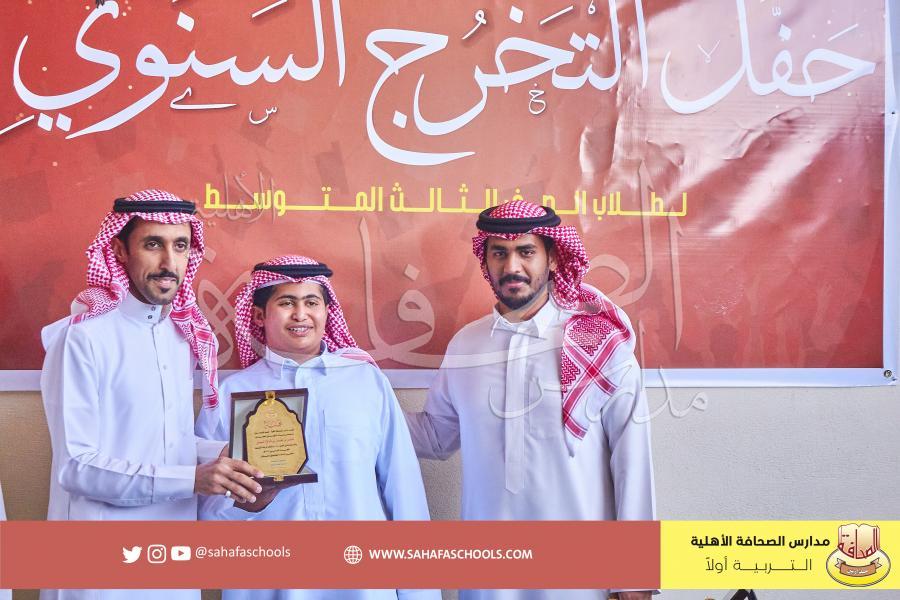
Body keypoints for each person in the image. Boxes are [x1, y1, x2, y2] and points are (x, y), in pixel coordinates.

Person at [405, 201, 657, 600]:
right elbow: (436, 437)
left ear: (553, 258)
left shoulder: (596, 344)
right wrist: (357, 410)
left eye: (526, 252)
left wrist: (635, 573)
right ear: (485, 261)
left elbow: (632, 459)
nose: (512, 267)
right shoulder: (467, 345)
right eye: (499, 253)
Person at [40, 189, 263, 600]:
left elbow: (165, 441)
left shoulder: (180, 337)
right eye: (153, 244)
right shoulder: (82, 339)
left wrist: (223, 456)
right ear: (119, 251)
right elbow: (76, 467)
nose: (169, 263)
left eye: (180, 246)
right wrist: (193, 478)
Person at [196, 255, 439, 600]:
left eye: (311, 302)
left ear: (327, 311)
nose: (301, 314)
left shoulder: (366, 382)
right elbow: (205, 512)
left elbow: (403, 490)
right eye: (286, 303)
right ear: (260, 315)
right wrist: (249, 503)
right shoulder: (230, 394)